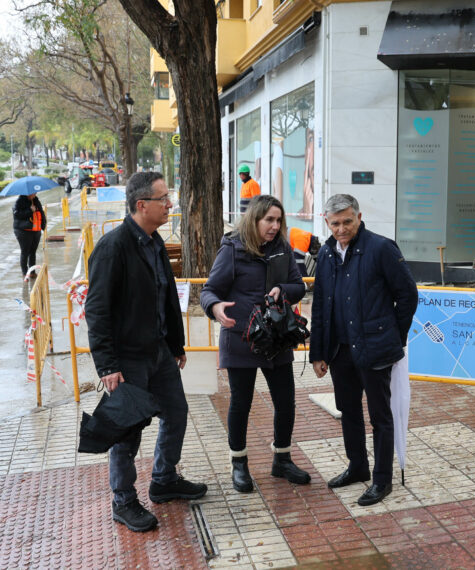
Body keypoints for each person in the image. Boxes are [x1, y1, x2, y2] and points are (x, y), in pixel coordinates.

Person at [84, 171, 207, 533]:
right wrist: (107, 364)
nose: (170, 204)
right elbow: (97, 310)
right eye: (163, 198)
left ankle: (164, 480)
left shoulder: (154, 242)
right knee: (127, 432)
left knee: (177, 413)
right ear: (142, 205)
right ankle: (123, 501)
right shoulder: (113, 247)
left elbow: (164, 296)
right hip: (126, 360)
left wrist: (175, 343)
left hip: (159, 354)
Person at [310, 194, 418, 506]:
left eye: (347, 221)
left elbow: (408, 296)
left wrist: (394, 337)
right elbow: (320, 306)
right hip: (340, 350)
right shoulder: (327, 253)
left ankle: (382, 480)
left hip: (375, 348)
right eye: (335, 223)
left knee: (380, 415)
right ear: (326, 221)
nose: (341, 229)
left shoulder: (381, 248)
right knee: (348, 411)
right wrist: (318, 352)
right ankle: (358, 466)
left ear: (359, 217)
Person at [201, 195, 311, 494]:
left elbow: (299, 285)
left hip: (276, 338)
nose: (275, 226)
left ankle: (282, 460)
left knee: (286, 402)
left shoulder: (282, 249)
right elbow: (210, 289)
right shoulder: (233, 248)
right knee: (241, 404)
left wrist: (284, 290)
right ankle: (239, 463)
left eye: (278, 220)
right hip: (242, 338)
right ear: (255, 220)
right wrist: (215, 307)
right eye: (269, 220)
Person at [11, 193, 46, 279]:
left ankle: (32, 272)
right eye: (33, 193)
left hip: (36, 229)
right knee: (25, 251)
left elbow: (41, 212)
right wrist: (30, 210)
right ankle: (25, 273)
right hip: (23, 231)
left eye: (35, 192)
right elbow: (17, 215)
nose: (35, 194)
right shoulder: (19, 202)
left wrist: (43, 225)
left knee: (33, 251)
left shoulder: (36, 200)